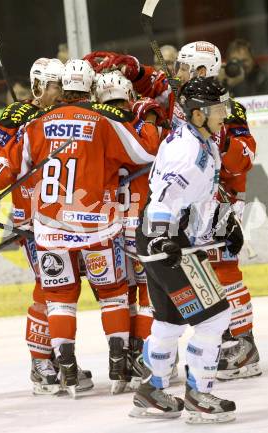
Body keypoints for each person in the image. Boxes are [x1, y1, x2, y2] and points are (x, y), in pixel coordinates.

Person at [0, 59, 157, 397]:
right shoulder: (103, 121)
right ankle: (118, 369)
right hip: (95, 228)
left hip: (50, 230)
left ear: (62, 87)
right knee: (113, 293)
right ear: (89, 88)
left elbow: (7, 166)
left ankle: (66, 371)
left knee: (57, 298)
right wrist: (149, 119)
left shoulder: (37, 124)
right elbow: (145, 153)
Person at [94, 41, 261, 381]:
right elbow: (148, 82)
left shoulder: (228, 111)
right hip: (186, 204)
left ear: (201, 71)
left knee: (224, 269)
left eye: (184, 67)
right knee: (188, 278)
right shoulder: (176, 96)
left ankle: (242, 343)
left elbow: (244, 159)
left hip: (220, 201)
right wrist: (131, 69)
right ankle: (175, 359)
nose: (177, 73)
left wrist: (222, 137)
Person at [0, 57, 94, 395]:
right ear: (39, 85)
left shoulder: (67, 113)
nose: (62, 91)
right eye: (56, 86)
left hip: (68, 215)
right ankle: (41, 362)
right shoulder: (18, 115)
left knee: (65, 288)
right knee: (49, 286)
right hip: (35, 217)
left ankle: (58, 356)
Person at [130, 77, 240, 423]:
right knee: (215, 316)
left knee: (169, 320)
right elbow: (164, 198)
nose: (225, 114)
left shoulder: (199, 140)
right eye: (217, 109)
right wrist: (165, 239)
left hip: (162, 242)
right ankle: (199, 394)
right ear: (196, 115)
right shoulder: (187, 150)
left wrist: (224, 223)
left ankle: (151, 391)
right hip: (167, 244)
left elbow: (198, 197)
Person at [94, 70, 168, 388]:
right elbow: (152, 150)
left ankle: (121, 359)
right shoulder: (139, 128)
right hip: (140, 223)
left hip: (110, 224)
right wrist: (150, 118)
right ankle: (141, 357)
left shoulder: (95, 129)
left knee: (119, 296)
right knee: (147, 294)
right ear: (131, 98)